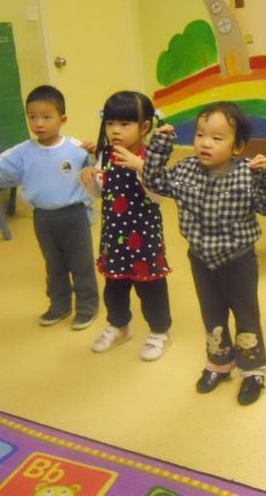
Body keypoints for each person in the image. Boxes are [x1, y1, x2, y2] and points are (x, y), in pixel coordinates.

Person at [137, 101, 266, 405]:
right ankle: (219, 362)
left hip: (238, 260)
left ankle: (253, 371)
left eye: (217, 138)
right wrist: (160, 146)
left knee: (246, 316)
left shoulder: (246, 174)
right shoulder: (186, 170)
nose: (205, 143)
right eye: (200, 134)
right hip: (201, 259)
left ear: (237, 146)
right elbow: (154, 182)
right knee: (212, 314)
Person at [0, 85, 99, 330]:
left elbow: (98, 172)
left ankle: (87, 307)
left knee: (82, 265)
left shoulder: (76, 149)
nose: (39, 123)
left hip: (74, 216)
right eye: (32, 117)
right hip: (44, 218)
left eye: (47, 117)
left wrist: (96, 155)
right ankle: (60, 306)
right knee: (54, 265)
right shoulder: (24, 152)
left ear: (63, 119)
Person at [80, 91, 172, 361]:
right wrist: (89, 180)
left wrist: (141, 167)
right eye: (110, 123)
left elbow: (159, 196)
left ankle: (160, 331)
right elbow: (101, 193)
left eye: (124, 124)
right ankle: (119, 326)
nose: (115, 130)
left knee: (151, 287)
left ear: (144, 127)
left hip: (144, 237)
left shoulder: (151, 156)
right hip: (114, 235)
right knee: (115, 284)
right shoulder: (106, 155)